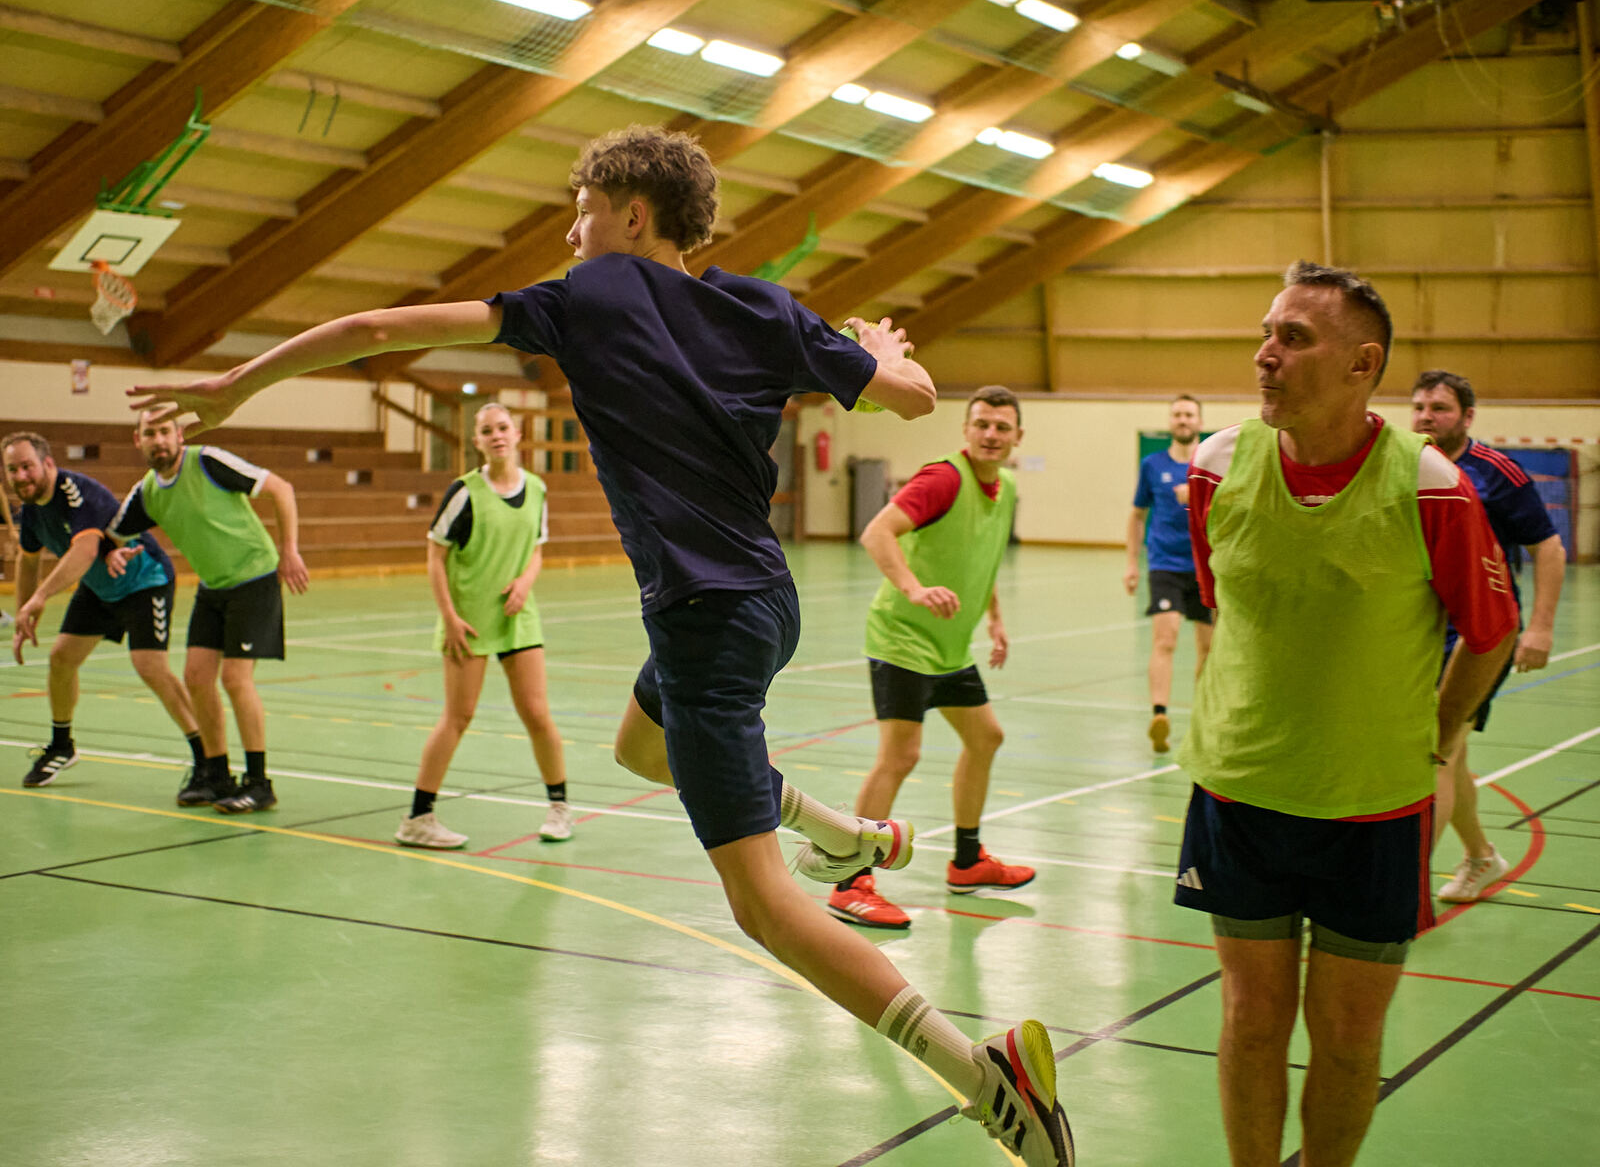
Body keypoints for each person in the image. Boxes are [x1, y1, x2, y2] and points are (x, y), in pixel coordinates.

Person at [126, 125, 1075, 1167]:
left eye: (581, 213)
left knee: (763, 905)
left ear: (631, 215)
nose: (570, 234)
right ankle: (840, 833)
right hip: (761, 601)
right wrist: (884, 356)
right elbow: (916, 398)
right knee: (636, 748)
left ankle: (986, 1079)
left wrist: (241, 385)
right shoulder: (764, 306)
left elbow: (373, 325)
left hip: (706, 623)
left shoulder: (588, 297)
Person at [1176, 262, 1517, 1167]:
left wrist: (1439, 738)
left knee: (1347, 1038)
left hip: (1374, 811)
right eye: (1266, 333)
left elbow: (1491, 631)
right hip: (1240, 796)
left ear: (1363, 364)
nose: (1266, 354)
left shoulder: (1431, 485)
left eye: (1294, 339)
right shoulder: (1215, 466)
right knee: (1250, 1020)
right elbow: (1222, 601)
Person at [827, 384, 1033, 931]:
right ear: (966, 430)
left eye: (1002, 427)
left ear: (1018, 436)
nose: (991, 434)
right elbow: (877, 533)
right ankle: (850, 882)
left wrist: (995, 617)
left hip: (948, 648)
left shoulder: (1007, 487)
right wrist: (914, 589)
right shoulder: (943, 479)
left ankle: (967, 862)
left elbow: (981, 556)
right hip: (902, 639)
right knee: (901, 756)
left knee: (986, 737)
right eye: (981, 424)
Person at [1411, 370, 1565, 901]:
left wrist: (1539, 628)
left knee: (1436, 750)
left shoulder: (1497, 473)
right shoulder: (1409, 465)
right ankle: (1480, 856)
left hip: (1480, 634)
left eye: (1440, 408)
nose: (1427, 417)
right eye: (1420, 407)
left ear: (1467, 416)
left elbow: (1549, 548)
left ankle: (1405, 890)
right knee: (1449, 752)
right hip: (1422, 628)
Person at [107, 414, 309, 813]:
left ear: (179, 435)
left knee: (235, 679)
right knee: (196, 677)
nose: (159, 440)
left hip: (254, 577)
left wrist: (289, 550)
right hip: (213, 586)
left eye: (165, 431)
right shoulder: (147, 492)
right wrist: (112, 551)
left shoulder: (208, 461)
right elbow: (112, 533)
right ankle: (216, 776)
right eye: (150, 433)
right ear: (137, 440)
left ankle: (259, 783)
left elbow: (281, 489)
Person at [397, 401, 572, 849]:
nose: (497, 436)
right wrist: (449, 617)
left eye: (503, 427)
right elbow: (435, 556)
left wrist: (525, 582)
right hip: (469, 621)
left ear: (517, 434)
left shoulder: (537, 489)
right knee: (458, 717)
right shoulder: (464, 492)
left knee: (537, 714)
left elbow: (536, 548)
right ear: (477, 441)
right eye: (488, 430)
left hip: (518, 617)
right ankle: (417, 818)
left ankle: (559, 808)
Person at [3, 431, 205, 789]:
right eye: (12, 469)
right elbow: (28, 560)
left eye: (27, 466)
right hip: (99, 587)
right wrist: (23, 614)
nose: (20, 476)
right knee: (61, 659)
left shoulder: (76, 492)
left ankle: (208, 758)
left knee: (150, 666)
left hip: (144, 580)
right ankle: (62, 746)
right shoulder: (32, 510)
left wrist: (41, 598)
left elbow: (84, 551)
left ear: (47, 463)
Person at [1123, 395, 1212, 754]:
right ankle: (1159, 714)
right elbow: (1137, 515)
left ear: (1199, 422)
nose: (1183, 419)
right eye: (1177, 414)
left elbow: (1229, 506)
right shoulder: (1152, 465)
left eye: (1189, 414)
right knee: (1166, 639)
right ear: (1170, 421)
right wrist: (1132, 563)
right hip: (1165, 565)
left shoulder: (1210, 465)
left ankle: (1204, 717)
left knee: (1208, 647)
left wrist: (1195, 496)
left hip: (1205, 566)